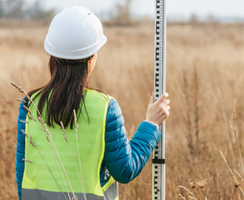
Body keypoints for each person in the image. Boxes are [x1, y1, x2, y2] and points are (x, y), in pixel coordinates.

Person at [15, 6, 170, 200]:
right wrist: (151, 125)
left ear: (52, 56)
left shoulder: (29, 104)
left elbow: (22, 174)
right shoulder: (105, 108)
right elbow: (125, 171)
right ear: (90, 59)